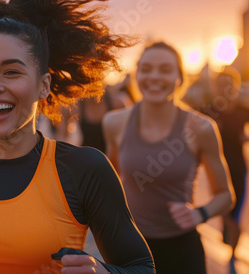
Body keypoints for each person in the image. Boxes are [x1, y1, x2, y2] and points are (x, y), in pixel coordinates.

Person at [0, 0, 154, 273]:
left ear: (43, 85)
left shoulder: (84, 170)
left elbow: (140, 267)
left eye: (11, 72)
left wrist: (103, 272)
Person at [102, 41, 235, 273]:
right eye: (147, 69)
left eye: (165, 70)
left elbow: (226, 195)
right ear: (137, 74)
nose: (154, 76)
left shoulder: (201, 128)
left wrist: (200, 213)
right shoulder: (115, 123)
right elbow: (110, 183)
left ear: (180, 78)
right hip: (131, 248)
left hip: (182, 250)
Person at [201, 67, 249, 272]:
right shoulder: (210, 110)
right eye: (221, 84)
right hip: (216, 168)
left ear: (235, 86)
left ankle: (231, 254)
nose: (224, 88)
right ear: (215, 87)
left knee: (235, 215)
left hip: (238, 167)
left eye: (229, 84)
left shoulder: (243, 110)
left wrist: (245, 138)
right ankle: (228, 238)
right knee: (225, 211)